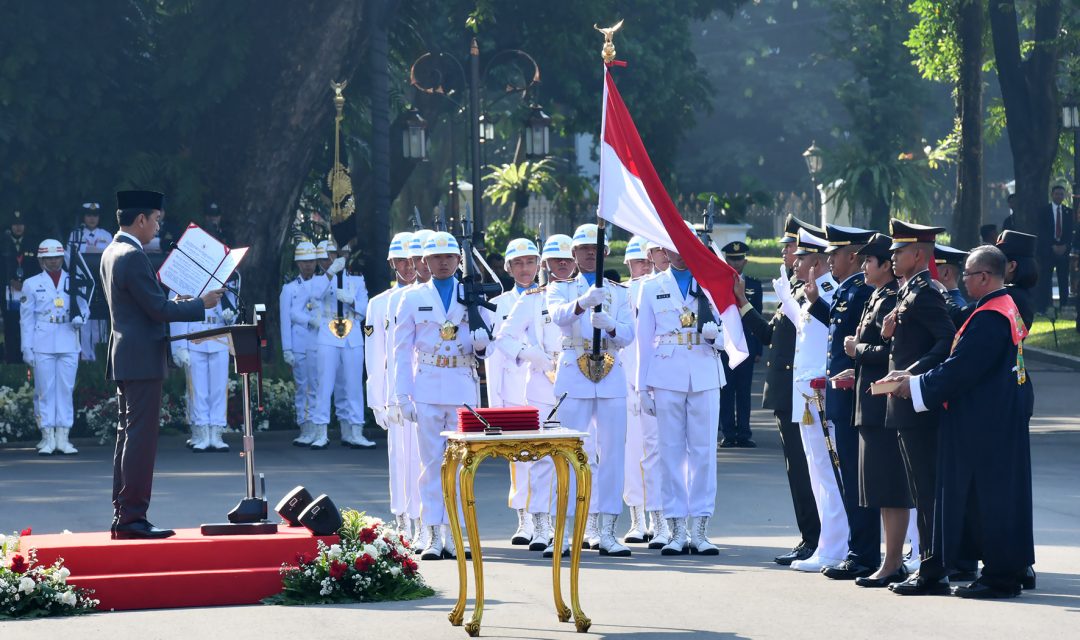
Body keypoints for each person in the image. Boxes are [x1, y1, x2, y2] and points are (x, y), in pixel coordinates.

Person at [883, 245, 1034, 599]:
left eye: (966, 274)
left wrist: (916, 385)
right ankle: (986, 569)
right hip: (995, 418)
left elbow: (962, 368)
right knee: (988, 499)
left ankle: (999, 578)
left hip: (983, 423)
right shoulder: (1003, 308)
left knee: (990, 499)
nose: (962, 281)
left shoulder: (991, 317)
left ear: (983, 276)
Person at [102, 190, 221, 539]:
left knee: (129, 437)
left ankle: (124, 513)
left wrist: (178, 303)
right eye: (155, 220)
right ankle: (132, 518)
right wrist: (201, 304)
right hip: (141, 359)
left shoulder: (113, 251)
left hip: (128, 356)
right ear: (141, 219)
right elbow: (158, 310)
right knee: (139, 440)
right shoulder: (133, 256)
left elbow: (148, 304)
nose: (156, 227)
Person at [392, 231, 492, 560]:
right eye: (436, 257)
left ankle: (455, 533)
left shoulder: (471, 291)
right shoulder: (412, 297)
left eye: (449, 256)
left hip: (462, 384)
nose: (444, 262)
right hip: (429, 385)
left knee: (462, 464)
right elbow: (401, 350)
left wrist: (480, 342)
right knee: (432, 462)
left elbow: (488, 346)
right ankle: (433, 532)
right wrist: (403, 395)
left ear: (459, 260)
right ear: (425, 262)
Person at [736, 214, 821, 566]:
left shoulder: (816, 293)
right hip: (787, 394)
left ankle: (817, 538)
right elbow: (770, 336)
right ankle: (809, 537)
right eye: (790, 249)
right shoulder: (796, 291)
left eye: (793, 249)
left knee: (808, 470)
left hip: (801, 393)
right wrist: (741, 302)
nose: (788, 254)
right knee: (797, 470)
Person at [635, 227, 726, 556]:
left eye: (684, 245)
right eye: (671, 246)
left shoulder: (711, 281)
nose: (678, 252)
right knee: (670, 452)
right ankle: (675, 529)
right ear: (662, 249)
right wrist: (641, 386)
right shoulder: (651, 287)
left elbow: (730, 326)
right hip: (666, 372)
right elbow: (644, 341)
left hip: (704, 368)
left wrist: (719, 336)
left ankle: (700, 528)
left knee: (703, 452)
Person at [547, 223, 634, 557]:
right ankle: (565, 532)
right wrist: (582, 304)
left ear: (605, 254)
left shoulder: (620, 292)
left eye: (596, 251)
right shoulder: (562, 288)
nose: (590, 254)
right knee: (569, 453)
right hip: (573, 371)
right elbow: (557, 316)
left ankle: (605, 529)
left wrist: (611, 324)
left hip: (610, 373)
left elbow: (628, 335)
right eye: (584, 249)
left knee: (612, 455)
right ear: (573, 254)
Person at [880, 220, 956, 596]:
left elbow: (946, 342)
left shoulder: (924, 293)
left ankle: (933, 568)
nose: (893, 258)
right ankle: (928, 562)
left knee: (925, 488)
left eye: (899, 252)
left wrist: (909, 375)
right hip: (904, 403)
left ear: (919, 255)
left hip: (918, 402)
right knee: (917, 486)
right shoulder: (906, 291)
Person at [773, 228, 849, 572]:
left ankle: (836, 546)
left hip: (820, 391)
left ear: (816, 262)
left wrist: (813, 297)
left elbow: (832, 327)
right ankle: (826, 543)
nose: (794, 263)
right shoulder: (807, 292)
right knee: (817, 473)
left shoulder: (829, 290)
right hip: (805, 394)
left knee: (830, 473)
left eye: (800, 258)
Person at [496, 233, 577, 556]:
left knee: (576, 458)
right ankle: (541, 526)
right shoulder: (532, 299)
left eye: (567, 261)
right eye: (555, 261)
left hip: (579, 383)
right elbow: (504, 338)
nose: (561, 266)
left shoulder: (585, 293)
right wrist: (531, 355)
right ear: (547, 264)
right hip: (542, 384)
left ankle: (569, 528)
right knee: (542, 458)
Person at [843, 234, 913, 588]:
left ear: (886, 265)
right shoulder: (875, 296)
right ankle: (889, 561)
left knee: (891, 487)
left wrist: (859, 351)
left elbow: (895, 353)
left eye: (870, 260)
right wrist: (852, 368)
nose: (863, 265)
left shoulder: (894, 299)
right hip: (868, 403)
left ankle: (893, 562)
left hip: (883, 404)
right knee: (879, 489)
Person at [810, 224, 878, 580]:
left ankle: (864, 553)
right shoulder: (849, 289)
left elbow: (859, 340)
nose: (829, 260)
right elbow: (839, 329)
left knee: (856, 478)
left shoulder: (862, 290)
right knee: (849, 477)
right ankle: (859, 549)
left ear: (852, 256)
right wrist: (814, 303)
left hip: (854, 396)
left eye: (833, 254)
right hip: (842, 396)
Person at [488, 238, 542, 546]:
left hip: (544, 385)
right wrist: (495, 403)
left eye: (530, 262)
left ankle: (543, 517)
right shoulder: (500, 304)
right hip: (512, 385)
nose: (525, 269)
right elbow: (495, 355)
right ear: (508, 268)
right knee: (519, 456)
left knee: (545, 455)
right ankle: (523, 517)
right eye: (518, 263)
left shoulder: (549, 297)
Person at [365, 232, 416, 534]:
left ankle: (428, 521)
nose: (408, 267)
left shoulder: (427, 298)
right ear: (392, 264)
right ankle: (402, 518)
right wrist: (376, 400)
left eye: (412, 261)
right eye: (401, 261)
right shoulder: (379, 303)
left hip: (425, 390)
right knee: (399, 456)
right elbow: (376, 356)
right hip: (395, 394)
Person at [618, 235, 667, 547]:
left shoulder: (660, 290)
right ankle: (636, 518)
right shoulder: (620, 293)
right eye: (637, 261)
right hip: (623, 381)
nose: (644, 266)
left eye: (647, 260)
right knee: (629, 451)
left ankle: (659, 517)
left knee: (657, 451)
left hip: (655, 381)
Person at [20, 239, 90, 456]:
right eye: (48, 258)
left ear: (63, 258)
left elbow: (85, 306)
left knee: (66, 389)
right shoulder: (31, 284)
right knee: (45, 390)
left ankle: (64, 437)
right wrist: (26, 347)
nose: (53, 261)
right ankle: (47, 436)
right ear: (41, 260)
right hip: (42, 340)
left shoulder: (74, 281)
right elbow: (26, 319)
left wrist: (81, 318)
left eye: (57, 257)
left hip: (68, 337)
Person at [308, 240, 371, 449]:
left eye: (333, 256)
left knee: (353, 385)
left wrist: (352, 302)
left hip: (351, 333)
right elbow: (315, 293)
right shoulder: (320, 279)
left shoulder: (357, 280)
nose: (330, 260)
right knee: (324, 384)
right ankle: (320, 431)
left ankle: (354, 431)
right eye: (326, 258)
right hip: (328, 331)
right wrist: (330, 274)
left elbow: (365, 308)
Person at [171, 289, 237, 453]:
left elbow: (232, 308)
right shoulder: (186, 278)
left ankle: (216, 434)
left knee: (219, 389)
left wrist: (231, 317)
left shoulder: (225, 279)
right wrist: (179, 346)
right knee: (197, 391)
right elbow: (177, 311)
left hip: (219, 337)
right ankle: (201, 433)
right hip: (194, 338)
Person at [719, 240, 761, 448]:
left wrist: (759, 348)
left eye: (739, 260)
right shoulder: (719, 283)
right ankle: (728, 432)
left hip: (748, 343)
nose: (735, 264)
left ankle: (744, 432)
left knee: (744, 391)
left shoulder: (753, 284)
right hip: (726, 344)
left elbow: (759, 318)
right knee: (726, 390)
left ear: (745, 261)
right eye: (731, 259)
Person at [280, 241, 319, 445]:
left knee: (317, 386)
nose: (308, 266)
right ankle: (305, 427)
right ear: (297, 263)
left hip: (318, 344)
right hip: (299, 345)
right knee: (303, 387)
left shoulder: (322, 283)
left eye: (311, 261)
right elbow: (286, 319)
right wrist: (287, 348)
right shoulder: (289, 288)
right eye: (303, 262)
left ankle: (317, 427)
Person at [3, 210, 39, 363]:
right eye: (15, 225)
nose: (18, 228)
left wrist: (25, 283)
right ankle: (11, 360)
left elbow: (37, 267)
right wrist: (9, 281)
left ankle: (28, 359)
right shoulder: (3, 242)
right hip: (8, 292)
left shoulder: (32, 242)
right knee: (10, 327)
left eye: (21, 224)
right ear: (11, 226)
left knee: (27, 324)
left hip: (27, 291)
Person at [1043, 185, 1073, 310]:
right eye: (1057, 194)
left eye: (1061, 194)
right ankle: (1046, 306)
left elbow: (1072, 231)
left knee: (1063, 279)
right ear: (1052, 194)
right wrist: (1052, 245)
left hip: (1064, 250)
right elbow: (1042, 231)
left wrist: (1065, 246)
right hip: (1048, 250)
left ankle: (1063, 305)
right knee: (1046, 278)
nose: (1059, 196)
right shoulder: (1045, 211)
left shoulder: (1068, 212)